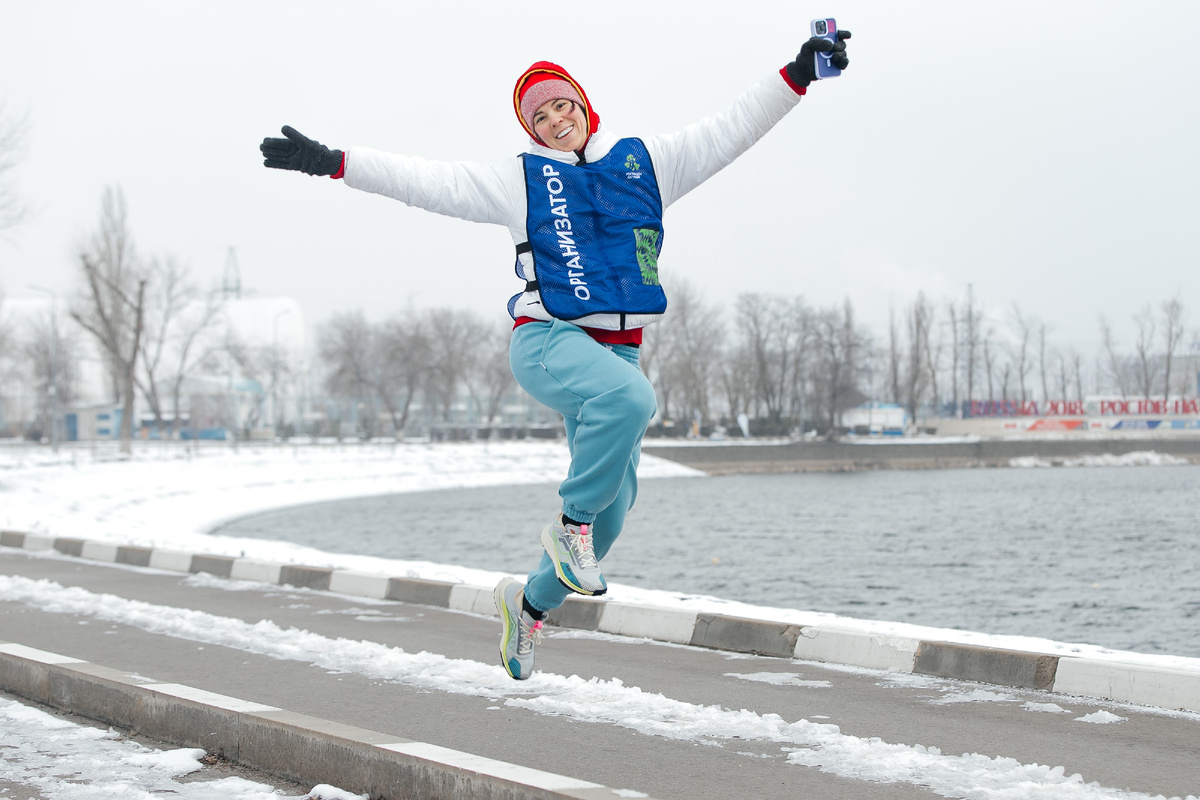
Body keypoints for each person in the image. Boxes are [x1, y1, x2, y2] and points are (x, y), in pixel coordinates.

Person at [260, 31, 851, 680]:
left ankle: (528, 606)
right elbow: (425, 181)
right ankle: (570, 527)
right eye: (539, 116)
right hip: (548, 340)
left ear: (584, 106)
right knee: (632, 404)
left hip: (616, 353)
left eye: (562, 105)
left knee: (613, 516)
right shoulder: (519, 181)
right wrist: (335, 162)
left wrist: (797, 75)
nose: (554, 120)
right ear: (531, 130)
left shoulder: (648, 162)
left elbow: (732, 128)